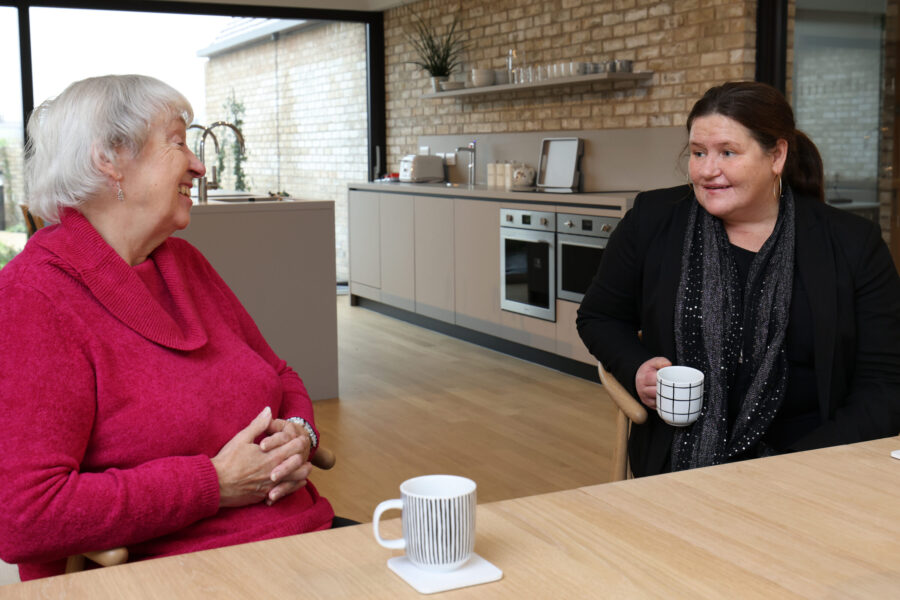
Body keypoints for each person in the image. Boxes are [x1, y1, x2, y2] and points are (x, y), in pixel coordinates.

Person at [0, 75, 335, 580]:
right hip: (182, 574)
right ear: (110, 159)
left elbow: (280, 374)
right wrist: (214, 484)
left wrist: (299, 435)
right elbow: (26, 516)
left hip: (300, 541)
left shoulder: (182, 263)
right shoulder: (35, 296)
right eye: (179, 142)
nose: (199, 164)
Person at [577, 81, 900, 477]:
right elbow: (599, 316)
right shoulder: (653, 218)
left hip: (813, 462)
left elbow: (884, 383)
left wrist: (804, 465)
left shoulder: (852, 243)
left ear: (776, 155)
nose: (708, 170)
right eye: (698, 153)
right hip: (678, 464)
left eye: (728, 152)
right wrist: (637, 367)